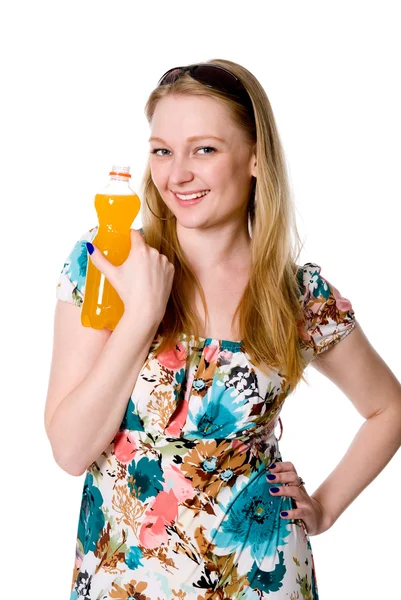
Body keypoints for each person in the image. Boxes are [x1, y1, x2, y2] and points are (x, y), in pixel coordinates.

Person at [44, 59, 401, 600]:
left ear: (256, 159)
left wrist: (324, 507)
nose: (177, 173)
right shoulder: (108, 262)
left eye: (204, 149)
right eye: (162, 149)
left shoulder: (298, 294)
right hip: (124, 581)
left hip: (260, 576)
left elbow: (388, 409)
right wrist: (142, 313)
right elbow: (70, 451)